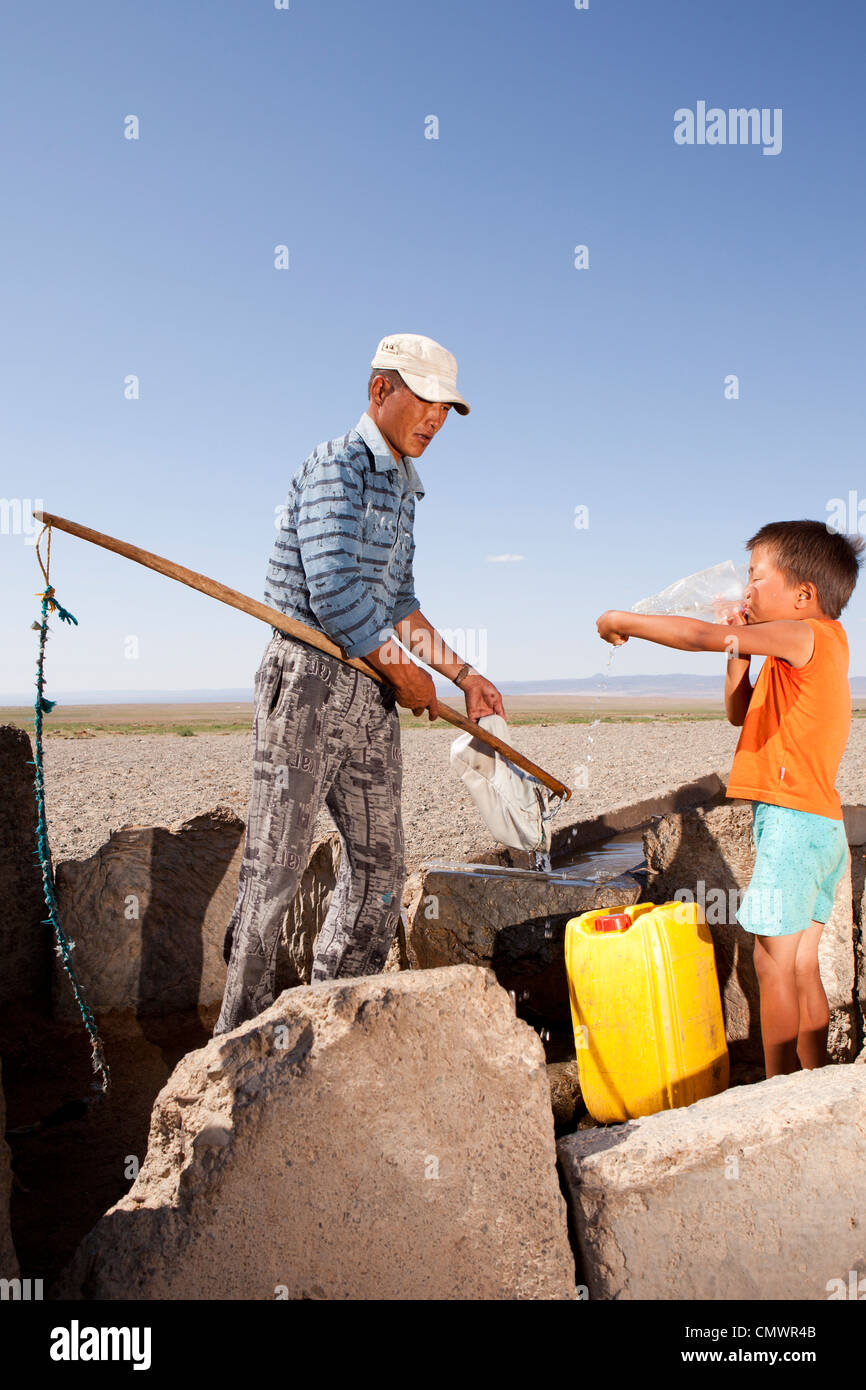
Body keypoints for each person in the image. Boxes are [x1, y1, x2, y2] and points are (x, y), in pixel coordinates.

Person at [214, 333, 505, 1036]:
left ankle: (333, 1021)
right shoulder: (336, 466)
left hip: (369, 689)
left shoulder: (405, 485)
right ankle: (232, 1045)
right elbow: (335, 589)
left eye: (446, 408)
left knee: (379, 869)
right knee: (275, 871)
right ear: (381, 391)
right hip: (309, 680)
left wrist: (462, 675)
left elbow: (398, 598)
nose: (436, 420)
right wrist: (402, 673)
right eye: (426, 401)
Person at [596, 519, 863, 1078]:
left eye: (756, 578)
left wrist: (624, 620)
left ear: (803, 595)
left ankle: (778, 1091)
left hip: (791, 825)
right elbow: (741, 714)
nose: (746, 591)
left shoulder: (804, 634)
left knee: (770, 967)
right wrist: (739, 653)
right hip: (821, 826)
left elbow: (697, 635)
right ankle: (818, 1085)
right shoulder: (804, 650)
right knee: (803, 965)